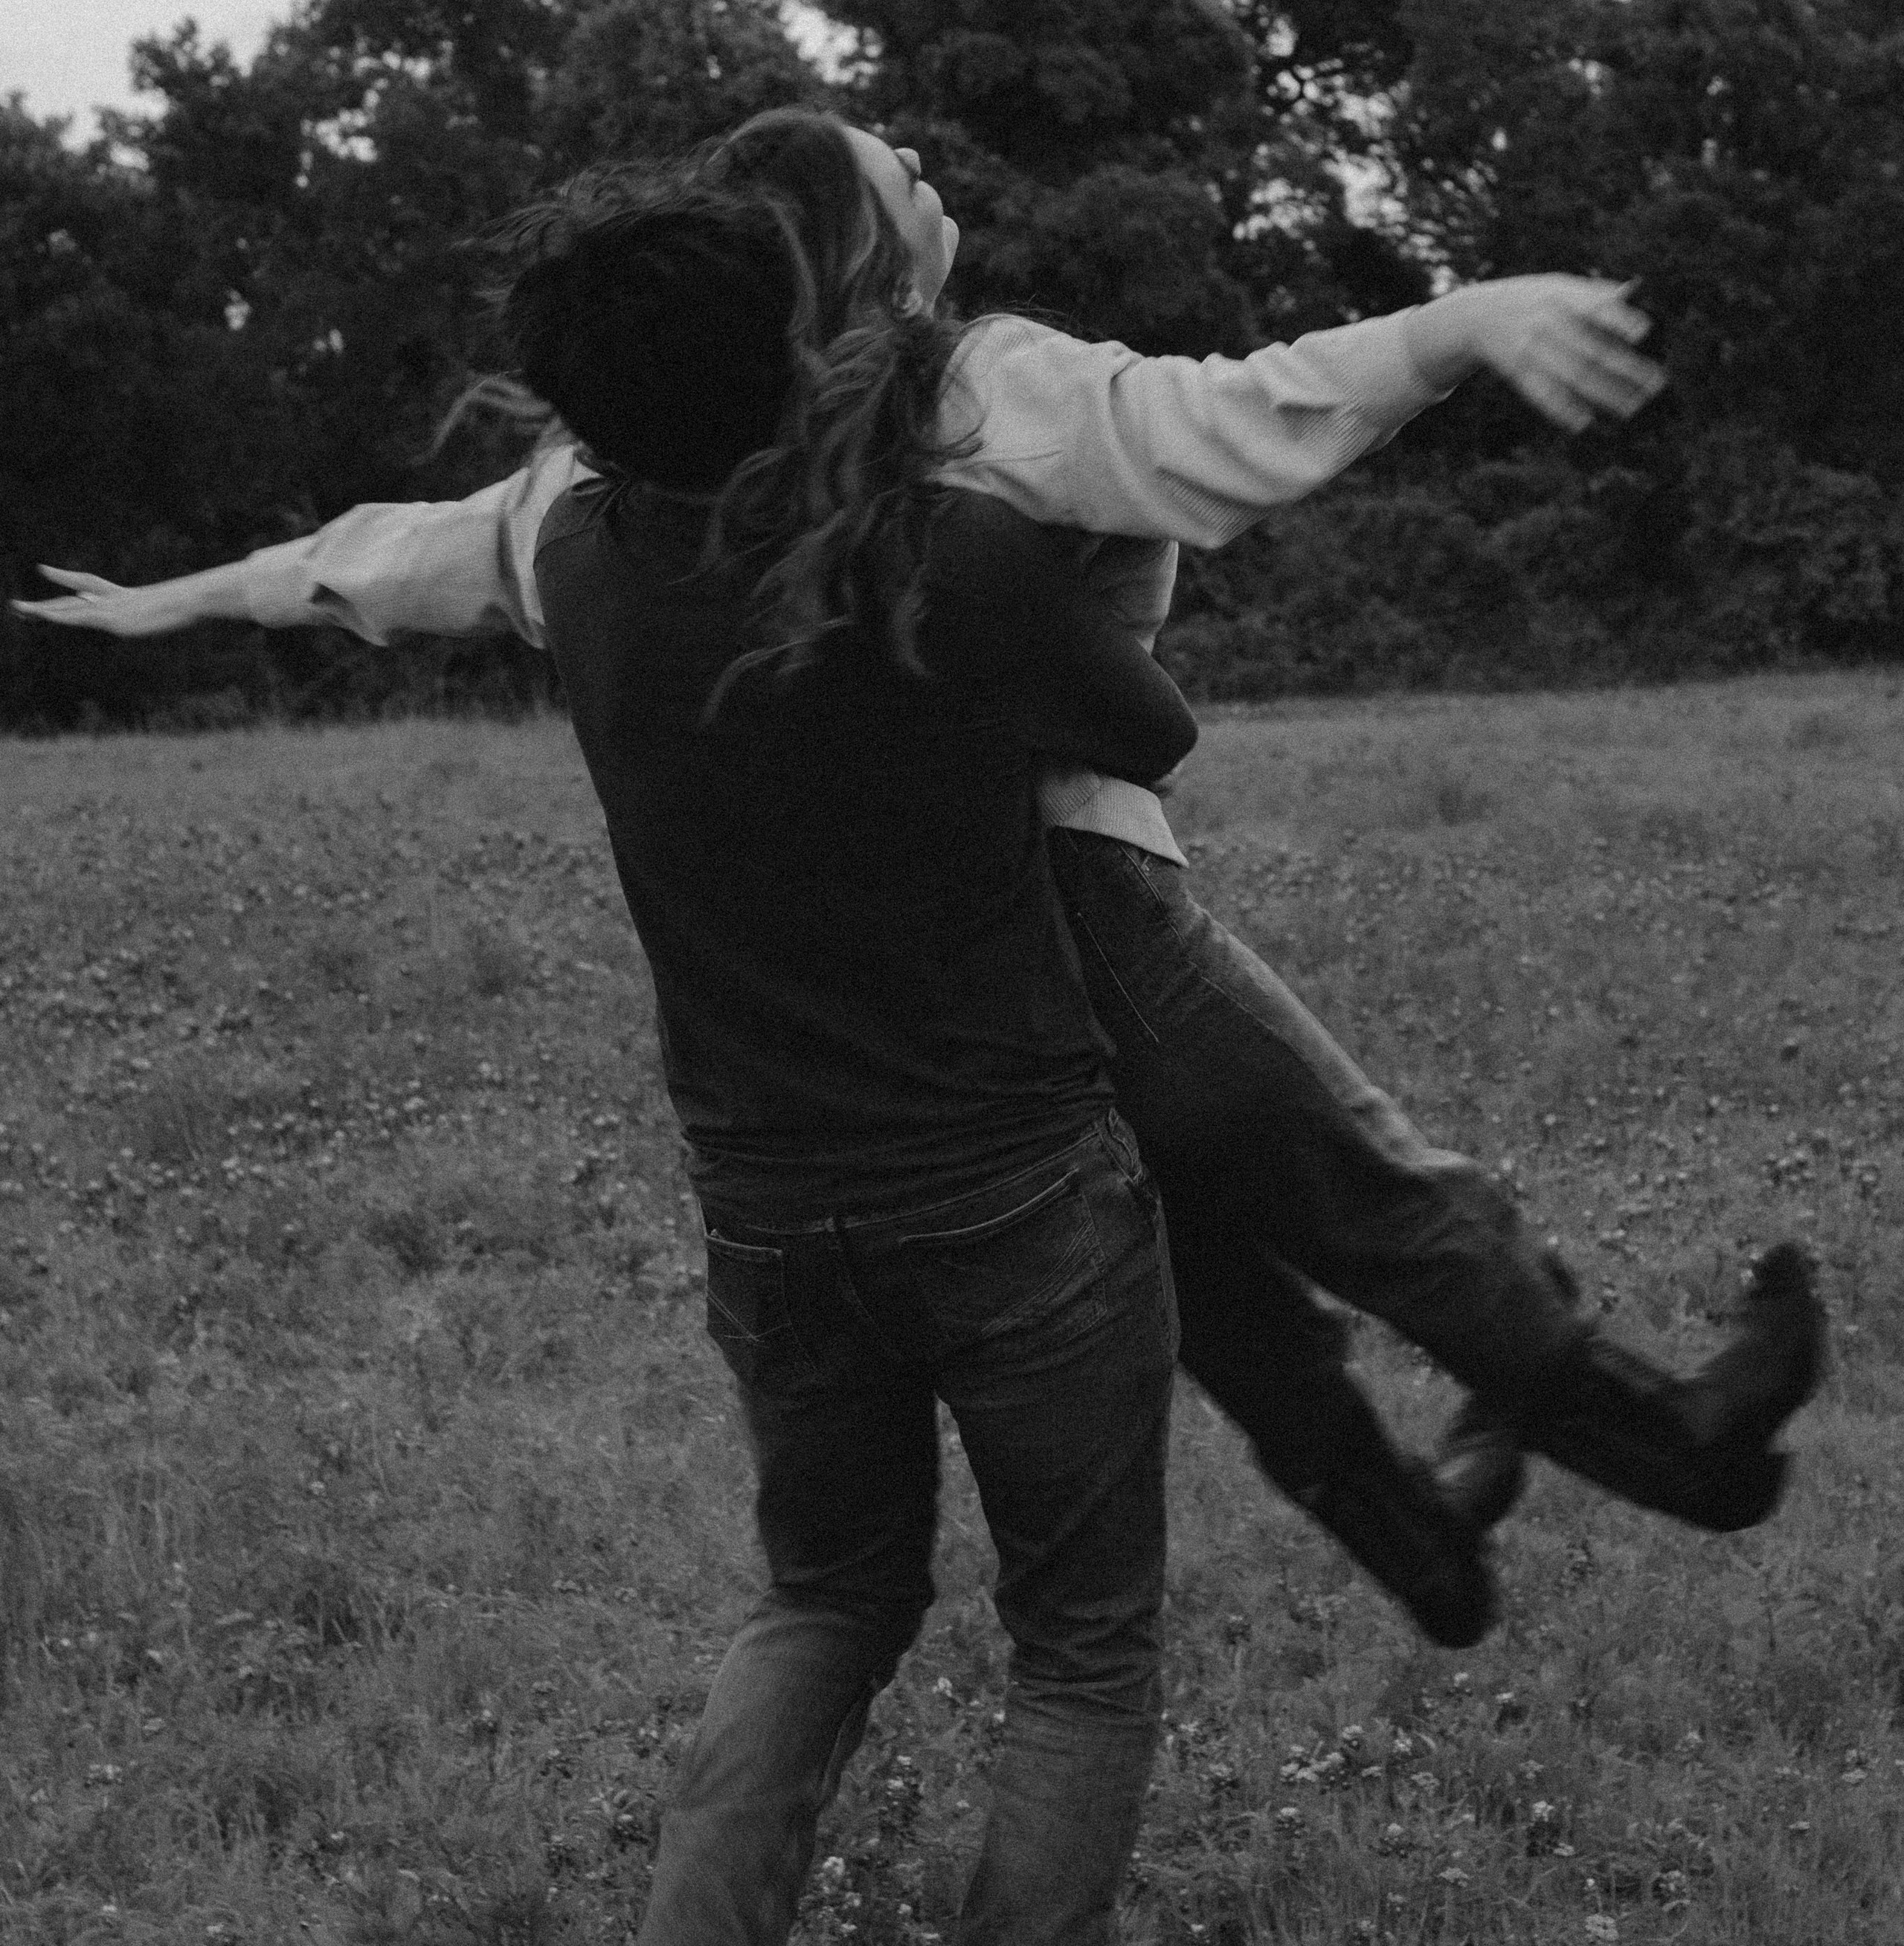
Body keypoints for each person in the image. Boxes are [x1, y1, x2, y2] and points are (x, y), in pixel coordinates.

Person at [17, 111, 1827, 1643]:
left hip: (885, 975)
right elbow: (1240, 416)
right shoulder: (986, 389)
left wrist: (190, 595)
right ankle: (1675, 1442)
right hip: (1076, 905)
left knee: (1194, 1250)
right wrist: (1461, 321)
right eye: (885, 162)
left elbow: (403, 555)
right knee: (1362, 1181)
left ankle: (1405, 1530)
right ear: (870, 258)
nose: (910, 154)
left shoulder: (634, 468)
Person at [509, 152, 1194, 1940]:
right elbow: (1149, 730)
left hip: (763, 1204)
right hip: (1015, 1183)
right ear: (792, 347)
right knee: (1080, 1650)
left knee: (819, 1599)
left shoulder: (577, 563)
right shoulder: (938, 550)